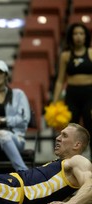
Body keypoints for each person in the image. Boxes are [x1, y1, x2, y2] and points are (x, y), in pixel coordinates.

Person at [53, 23, 92, 159]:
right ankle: (67, 163)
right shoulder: (65, 55)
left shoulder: (91, 53)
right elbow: (59, 80)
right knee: (70, 131)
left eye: (81, 33)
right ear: (71, 36)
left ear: (86, 36)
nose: (78, 37)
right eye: (75, 34)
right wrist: (55, 101)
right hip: (72, 96)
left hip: (90, 96)